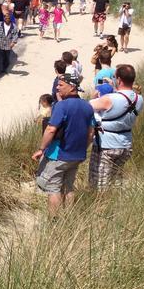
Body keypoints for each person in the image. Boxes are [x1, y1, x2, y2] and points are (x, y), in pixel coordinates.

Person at [33, 73, 95, 216]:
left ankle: (54, 221)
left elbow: (51, 129)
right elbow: (91, 134)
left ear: (72, 87)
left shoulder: (61, 106)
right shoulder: (88, 106)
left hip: (58, 155)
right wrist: (82, 149)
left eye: (61, 85)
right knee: (68, 187)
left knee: (53, 188)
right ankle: (68, 218)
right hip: (77, 155)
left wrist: (41, 149)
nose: (57, 88)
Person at [89, 64, 143, 191]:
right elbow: (123, 100)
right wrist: (114, 88)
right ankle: (115, 207)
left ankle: (100, 209)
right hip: (125, 144)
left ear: (118, 79)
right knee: (116, 182)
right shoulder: (139, 99)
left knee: (99, 184)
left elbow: (87, 107)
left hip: (106, 144)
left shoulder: (108, 99)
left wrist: (94, 95)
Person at [0, 8, 20, 75]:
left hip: (8, 45)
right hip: (0, 44)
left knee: (7, 59)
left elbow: (15, 35)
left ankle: (4, 68)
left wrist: (13, 42)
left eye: (8, 18)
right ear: (4, 18)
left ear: (10, 19)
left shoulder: (14, 26)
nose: (7, 19)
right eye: (6, 18)